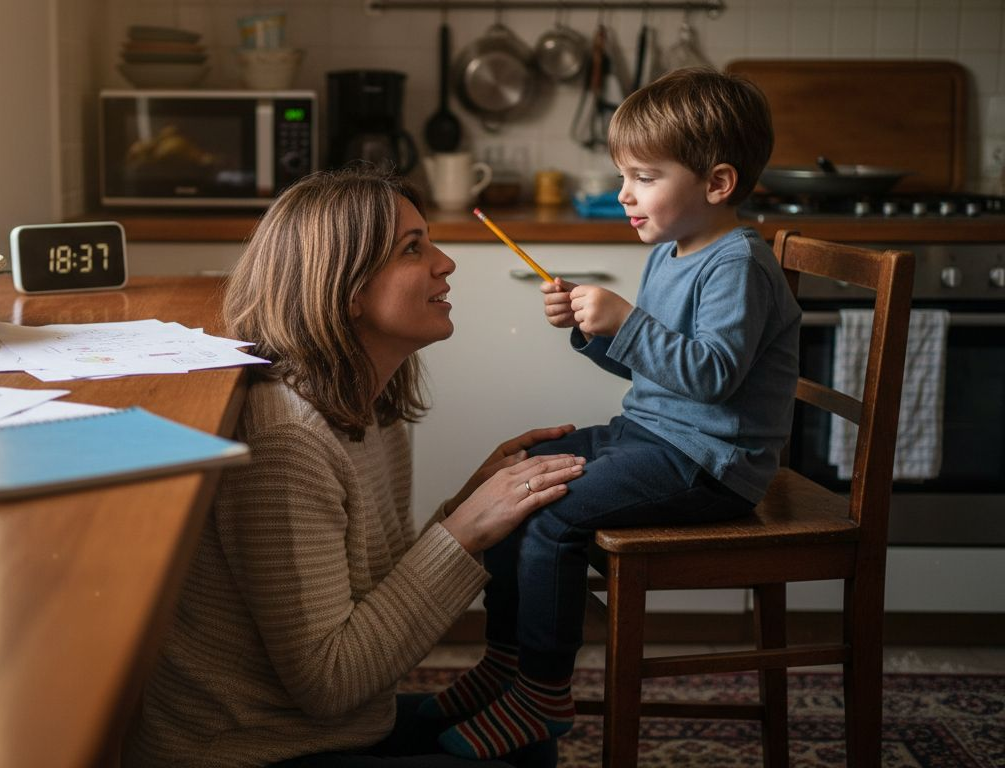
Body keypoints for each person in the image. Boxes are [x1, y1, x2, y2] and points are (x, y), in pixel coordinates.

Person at [120, 167, 588, 768]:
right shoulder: (286, 439)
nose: (446, 263)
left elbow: (368, 599)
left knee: (528, 735)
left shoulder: (373, 406)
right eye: (412, 249)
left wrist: (467, 507)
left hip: (339, 728)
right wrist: (464, 531)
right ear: (347, 290)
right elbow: (331, 682)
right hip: (252, 752)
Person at [423, 67, 803, 760]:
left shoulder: (737, 265)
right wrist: (595, 332)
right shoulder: (672, 250)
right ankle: (505, 666)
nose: (624, 193)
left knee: (555, 513)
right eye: (623, 174)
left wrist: (624, 319)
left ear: (716, 184)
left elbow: (713, 377)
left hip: (711, 464)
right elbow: (657, 370)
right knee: (518, 480)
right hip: (657, 438)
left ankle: (542, 694)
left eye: (644, 176)